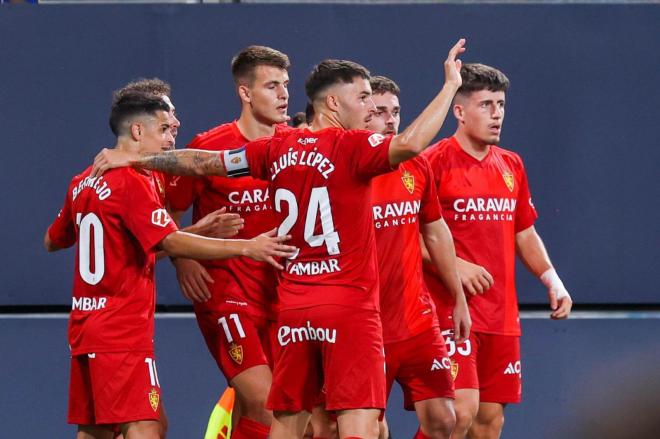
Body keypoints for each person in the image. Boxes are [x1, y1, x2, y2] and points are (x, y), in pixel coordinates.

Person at [92, 38, 467, 439]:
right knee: (360, 423)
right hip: (347, 306)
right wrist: (448, 87)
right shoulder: (352, 146)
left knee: (287, 423)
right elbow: (410, 144)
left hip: (293, 309)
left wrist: (136, 157)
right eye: (362, 97)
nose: (370, 107)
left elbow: (206, 163)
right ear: (333, 105)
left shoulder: (274, 147)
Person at [45, 91, 295, 439]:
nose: (171, 137)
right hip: (121, 330)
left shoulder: (83, 181)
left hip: (86, 327)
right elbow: (169, 242)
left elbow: (54, 241)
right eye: (163, 129)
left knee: (97, 430)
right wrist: (246, 247)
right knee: (147, 428)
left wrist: (191, 230)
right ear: (137, 131)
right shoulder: (132, 183)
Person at [422, 63, 573, 439]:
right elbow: (407, 235)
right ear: (459, 112)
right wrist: (454, 264)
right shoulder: (432, 163)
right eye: (486, 105)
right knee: (457, 415)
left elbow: (523, 230)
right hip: (451, 310)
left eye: (501, 105)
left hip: (501, 315)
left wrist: (551, 279)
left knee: (489, 424)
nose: (497, 114)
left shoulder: (511, 165)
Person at [165, 45, 293, 439]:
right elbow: (167, 212)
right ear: (245, 92)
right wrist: (184, 260)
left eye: (285, 85)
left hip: (284, 291)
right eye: (272, 86)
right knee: (262, 399)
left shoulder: (295, 144)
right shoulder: (210, 145)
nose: (284, 95)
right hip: (226, 292)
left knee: (272, 409)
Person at [367, 75, 471, 439]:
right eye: (380, 111)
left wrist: (458, 296)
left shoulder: (415, 165)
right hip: (366, 325)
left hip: (416, 320)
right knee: (369, 428)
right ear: (362, 113)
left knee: (446, 419)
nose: (391, 119)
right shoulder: (352, 170)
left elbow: (436, 230)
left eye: (395, 111)